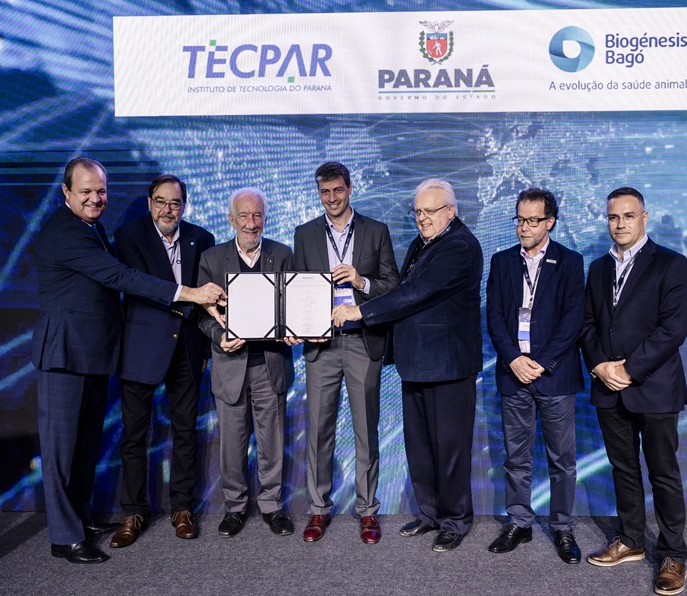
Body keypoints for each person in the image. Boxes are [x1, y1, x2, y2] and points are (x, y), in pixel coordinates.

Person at [31, 157, 225, 564]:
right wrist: (189, 293)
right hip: (64, 354)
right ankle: (64, 538)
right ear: (66, 192)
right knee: (61, 452)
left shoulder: (93, 228)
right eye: (85, 191)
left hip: (91, 355)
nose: (95, 198)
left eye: (101, 191)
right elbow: (120, 277)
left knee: (84, 449)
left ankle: (80, 519)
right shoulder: (65, 232)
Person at [331, 178, 482, 553]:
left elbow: (415, 293)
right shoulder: (422, 243)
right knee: (420, 446)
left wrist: (360, 311)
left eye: (430, 211)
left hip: (448, 365)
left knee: (449, 449)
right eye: (417, 212)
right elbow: (403, 289)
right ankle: (430, 514)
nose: (422, 218)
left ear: (451, 211)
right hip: (416, 362)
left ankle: (455, 520)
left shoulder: (460, 246)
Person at [579, 187, 687, 595]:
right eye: (613, 217)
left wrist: (629, 369)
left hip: (654, 386)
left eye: (628, 216)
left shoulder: (671, 263)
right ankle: (630, 540)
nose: (620, 223)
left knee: (663, 473)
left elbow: (674, 327)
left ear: (644, 218)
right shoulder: (597, 268)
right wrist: (599, 366)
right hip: (608, 387)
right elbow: (587, 324)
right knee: (623, 468)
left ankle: (673, 554)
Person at [292, 162, 398, 544]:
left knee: (366, 431)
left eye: (338, 190)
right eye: (325, 192)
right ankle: (318, 508)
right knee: (319, 430)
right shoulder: (304, 233)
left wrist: (360, 280)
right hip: (321, 345)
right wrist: (296, 325)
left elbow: (393, 286)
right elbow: (298, 287)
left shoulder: (376, 231)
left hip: (362, 342)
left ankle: (367, 511)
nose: (332, 198)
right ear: (319, 193)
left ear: (350, 189)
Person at [108, 174, 215, 548]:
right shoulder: (128, 236)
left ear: (184, 205)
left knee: (186, 431)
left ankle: (182, 508)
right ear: (149, 202)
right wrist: (191, 295)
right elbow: (142, 285)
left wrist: (205, 350)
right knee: (135, 434)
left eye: (175, 203)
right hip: (141, 347)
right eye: (161, 201)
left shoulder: (201, 238)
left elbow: (206, 303)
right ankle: (133, 512)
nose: (168, 209)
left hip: (187, 348)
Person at [485, 188, 585, 563]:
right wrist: (513, 359)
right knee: (517, 458)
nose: (524, 227)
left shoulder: (570, 261)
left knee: (562, 460)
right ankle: (519, 522)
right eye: (520, 219)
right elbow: (494, 316)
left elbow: (573, 320)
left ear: (550, 222)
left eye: (532, 220)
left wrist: (540, 363)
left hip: (553, 375)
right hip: (514, 374)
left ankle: (562, 527)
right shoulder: (502, 261)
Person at [197, 187, 296, 539]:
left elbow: (294, 305)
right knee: (231, 444)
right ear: (231, 220)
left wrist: (295, 328)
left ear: (265, 218)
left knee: (272, 442)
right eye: (244, 216)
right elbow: (202, 315)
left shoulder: (282, 254)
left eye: (257, 216)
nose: (251, 223)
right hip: (230, 364)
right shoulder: (211, 258)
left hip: (271, 365)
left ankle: (272, 506)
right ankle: (235, 508)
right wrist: (218, 335)